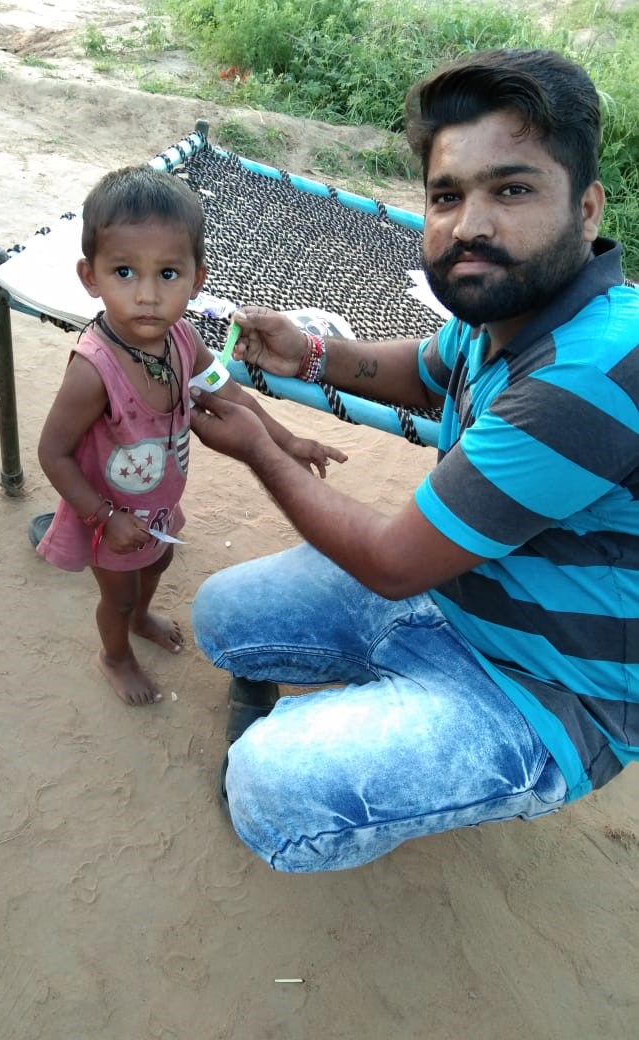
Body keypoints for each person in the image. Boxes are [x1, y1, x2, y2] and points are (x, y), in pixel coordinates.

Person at [189, 48, 639, 872]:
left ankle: (449, 747)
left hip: (542, 688)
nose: (470, 227)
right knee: (223, 616)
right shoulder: (501, 310)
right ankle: (388, 700)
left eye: (512, 190)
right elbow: (426, 372)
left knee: (273, 788)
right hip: (452, 594)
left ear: (586, 209)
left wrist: (259, 445)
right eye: (447, 195)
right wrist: (310, 353)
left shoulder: (591, 372)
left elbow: (394, 564)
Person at [36, 166, 346, 707]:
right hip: (110, 518)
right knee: (117, 593)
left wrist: (288, 442)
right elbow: (52, 452)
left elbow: (230, 395)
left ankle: (140, 619)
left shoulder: (182, 338)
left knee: (158, 563)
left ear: (197, 278)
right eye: (125, 272)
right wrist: (104, 518)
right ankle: (115, 654)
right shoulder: (93, 369)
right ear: (91, 276)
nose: (148, 295)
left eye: (168, 274)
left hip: (158, 506)